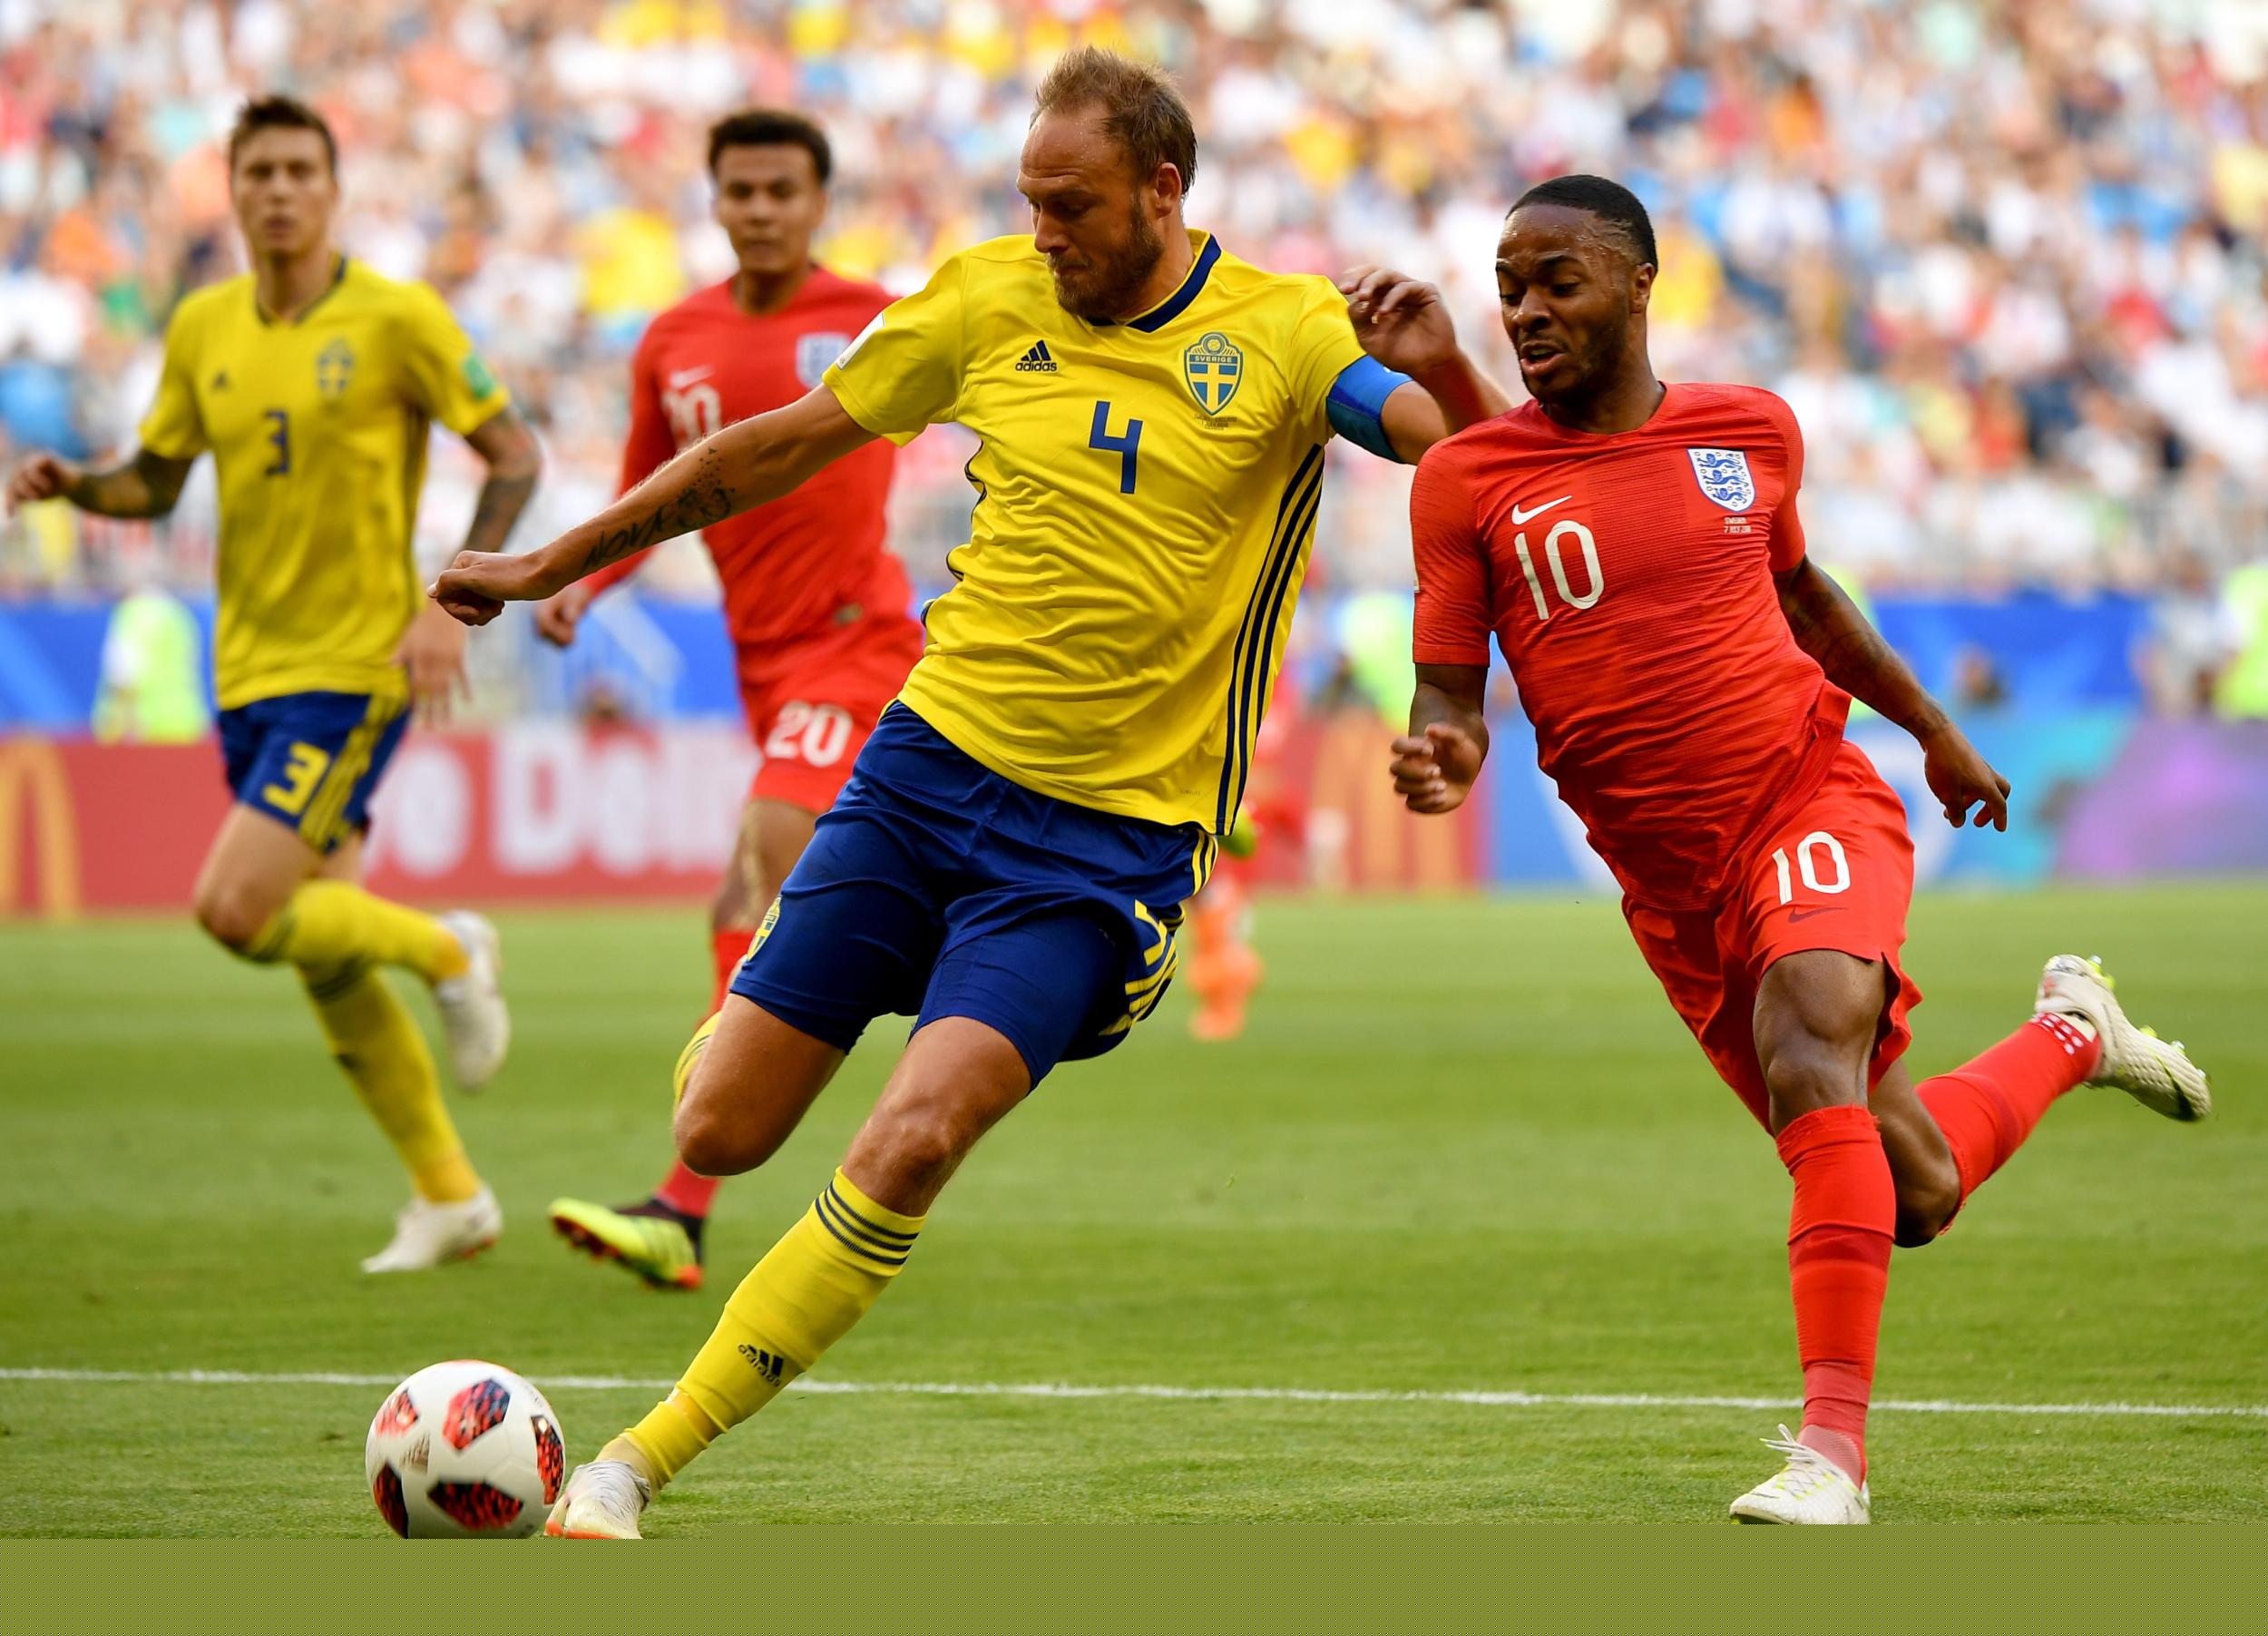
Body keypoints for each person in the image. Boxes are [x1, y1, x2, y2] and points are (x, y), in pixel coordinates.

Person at [434, 47, 1508, 1537]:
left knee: (915, 1133)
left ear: (1163, 191)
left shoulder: (1282, 329)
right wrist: (552, 560)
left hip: (1105, 851)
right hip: (925, 774)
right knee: (720, 1130)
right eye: (1031, 202)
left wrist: (1447, 366)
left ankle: (635, 1461)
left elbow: (1465, 461)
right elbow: (778, 448)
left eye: (1072, 208)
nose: (1046, 233)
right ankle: (786, 1006)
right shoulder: (986, 294)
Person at [1392, 174, 2211, 1523]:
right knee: (1914, 1192)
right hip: (1670, 889)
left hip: (1806, 797)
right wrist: (1447, 752)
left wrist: (1934, 729)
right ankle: (2077, 1033)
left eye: (1558, 281)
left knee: (1811, 1035)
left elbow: (1804, 592)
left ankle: (1831, 1454)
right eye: (1512, 287)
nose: (1528, 309)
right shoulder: (1468, 480)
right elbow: (1447, 689)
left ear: (1640, 282)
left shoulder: (1749, 430)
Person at [5, 96, 540, 1272]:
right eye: (261, 171)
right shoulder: (201, 326)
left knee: (234, 908)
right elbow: (153, 482)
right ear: (234, 190)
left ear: (333, 189)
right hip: (243, 667)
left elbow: (514, 451)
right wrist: (73, 485)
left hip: (353, 664)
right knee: (319, 948)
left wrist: (455, 599)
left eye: (302, 170)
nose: (281, 190)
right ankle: (451, 1195)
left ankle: (453, 949)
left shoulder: (396, 316)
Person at [540, 110, 920, 1293]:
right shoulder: (674, 339)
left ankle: (683, 1200)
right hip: (762, 661)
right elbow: (646, 495)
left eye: (781, 190)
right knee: (747, 894)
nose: (759, 208)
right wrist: (580, 586)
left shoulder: (875, 319)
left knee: (759, 869)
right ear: (713, 200)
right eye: (740, 190)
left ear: (818, 203)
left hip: (860, 642)